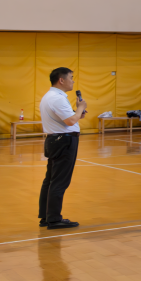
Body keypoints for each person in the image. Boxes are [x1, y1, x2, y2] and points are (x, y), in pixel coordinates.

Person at [38, 67, 86, 230]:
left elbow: (69, 118)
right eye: (71, 78)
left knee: (50, 180)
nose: (73, 81)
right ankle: (54, 219)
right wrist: (80, 107)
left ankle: (46, 216)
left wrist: (78, 113)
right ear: (61, 80)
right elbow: (70, 121)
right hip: (63, 141)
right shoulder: (57, 98)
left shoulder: (49, 96)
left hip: (55, 140)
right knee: (59, 181)